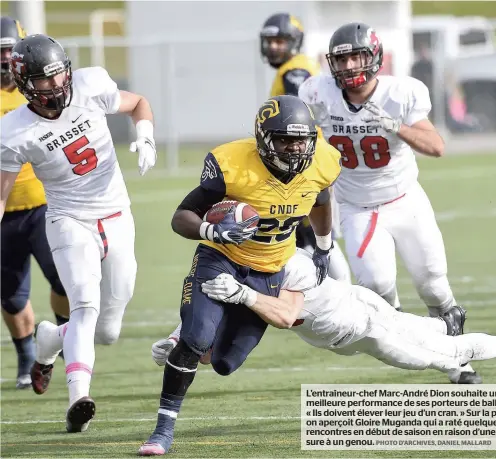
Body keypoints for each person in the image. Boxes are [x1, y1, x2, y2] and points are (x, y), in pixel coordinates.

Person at [138, 95, 341, 456]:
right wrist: (211, 232)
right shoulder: (233, 164)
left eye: (301, 139)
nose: (295, 148)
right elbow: (181, 216)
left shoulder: (322, 161)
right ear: (263, 139)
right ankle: (162, 430)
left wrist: (324, 245)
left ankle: (190, 332)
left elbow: (322, 201)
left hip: (269, 270)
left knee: (225, 363)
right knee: (197, 340)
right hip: (222, 258)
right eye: (284, 140)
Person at [298, 23, 480, 384]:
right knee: (378, 290)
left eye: (356, 56)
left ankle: (460, 356)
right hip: (357, 208)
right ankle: (433, 353)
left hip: (404, 200)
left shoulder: (400, 93)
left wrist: (396, 126)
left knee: (432, 285)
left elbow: (437, 146)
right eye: (342, 58)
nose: (349, 66)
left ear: (374, 57)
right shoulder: (317, 94)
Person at [0, 33, 157, 432]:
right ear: (24, 82)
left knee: (107, 330)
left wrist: (144, 135)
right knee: (84, 305)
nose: (55, 86)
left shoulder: (90, 84)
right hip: (68, 218)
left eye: (58, 75)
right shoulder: (13, 129)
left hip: (117, 214)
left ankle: (50, 339)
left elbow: (138, 103)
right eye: (43, 80)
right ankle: (78, 398)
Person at [153, 250, 496, 382]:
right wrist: (176, 343)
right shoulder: (240, 271)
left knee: (443, 356)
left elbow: (284, 314)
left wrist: (244, 294)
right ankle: (441, 324)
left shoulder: (289, 266)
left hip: (365, 326)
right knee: (434, 338)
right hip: (348, 326)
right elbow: (209, 321)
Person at [0, 16, 70, 390]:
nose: (4, 58)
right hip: (3, 213)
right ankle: (26, 355)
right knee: (10, 296)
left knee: (62, 278)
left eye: (9, 50)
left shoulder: (36, 89)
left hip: (45, 203)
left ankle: (66, 342)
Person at [260, 12, 350, 282]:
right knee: (307, 234)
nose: (275, 46)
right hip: (305, 156)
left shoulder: (294, 72)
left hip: (303, 159)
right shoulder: (293, 68)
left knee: (314, 232)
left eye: (281, 40)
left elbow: (294, 120)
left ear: (295, 41)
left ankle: (344, 290)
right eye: (271, 41)